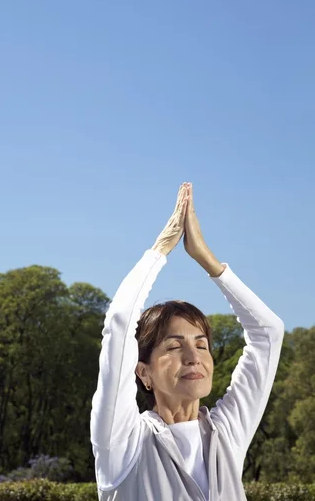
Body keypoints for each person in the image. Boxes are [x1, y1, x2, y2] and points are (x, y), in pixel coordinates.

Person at [90, 182, 284, 501]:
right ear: (143, 372)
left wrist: (207, 259)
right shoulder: (122, 442)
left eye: (202, 345)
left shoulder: (225, 435)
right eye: (174, 346)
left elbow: (268, 332)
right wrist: (160, 250)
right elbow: (121, 323)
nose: (193, 357)